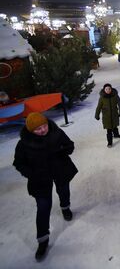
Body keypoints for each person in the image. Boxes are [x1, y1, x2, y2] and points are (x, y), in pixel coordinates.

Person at [13, 112, 78, 261]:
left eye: (44, 126)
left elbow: (69, 145)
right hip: (39, 178)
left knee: (63, 190)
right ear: (30, 131)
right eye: (38, 129)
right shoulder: (24, 143)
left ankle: (65, 207)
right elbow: (19, 163)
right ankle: (43, 239)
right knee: (43, 206)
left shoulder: (56, 132)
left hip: (59, 169)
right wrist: (31, 173)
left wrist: (63, 151)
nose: (42, 130)